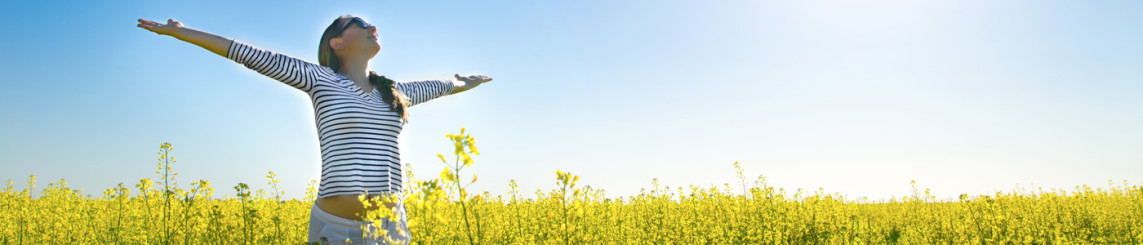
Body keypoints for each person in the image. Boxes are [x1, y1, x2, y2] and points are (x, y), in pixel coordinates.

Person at [136, 15, 492, 245]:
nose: (373, 28)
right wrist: (182, 34)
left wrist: (463, 81)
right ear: (336, 43)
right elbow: (247, 53)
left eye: (374, 26)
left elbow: (442, 85)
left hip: (390, 227)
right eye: (361, 24)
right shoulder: (320, 79)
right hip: (336, 228)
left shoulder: (394, 91)